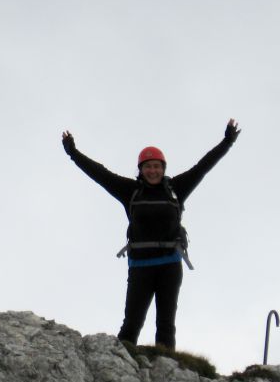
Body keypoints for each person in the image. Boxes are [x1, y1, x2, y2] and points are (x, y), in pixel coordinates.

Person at [61, 120, 240, 350]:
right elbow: (100, 174)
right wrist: (73, 153)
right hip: (141, 267)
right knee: (132, 324)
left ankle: (165, 372)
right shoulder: (130, 191)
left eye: (157, 166)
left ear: (163, 168)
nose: (152, 171)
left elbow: (203, 166)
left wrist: (227, 142)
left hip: (170, 265)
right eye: (148, 166)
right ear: (141, 170)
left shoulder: (177, 189)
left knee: (166, 324)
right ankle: (121, 366)